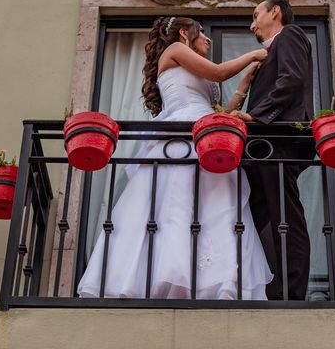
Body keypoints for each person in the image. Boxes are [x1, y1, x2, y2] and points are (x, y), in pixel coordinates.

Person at [77, 16, 273, 300]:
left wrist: (243, 84)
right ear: (184, 33)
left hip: (206, 136)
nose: (207, 38)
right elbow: (218, 73)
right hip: (181, 137)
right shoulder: (175, 51)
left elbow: (221, 113)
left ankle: (217, 282)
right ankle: (169, 276)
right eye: (201, 32)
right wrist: (256, 52)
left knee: (216, 208)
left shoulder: (190, 61)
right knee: (176, 208)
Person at [233, 0, 315, 300]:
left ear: (275, 12)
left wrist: (256, 115)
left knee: (286, 217)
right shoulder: (271, 51)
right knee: (252, 217)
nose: (253, 24)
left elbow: (291, 79)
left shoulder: (290, 35)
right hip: (263, 145)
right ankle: (252, 287)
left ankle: (292, 294)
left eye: (256, 15)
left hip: (277, 142)